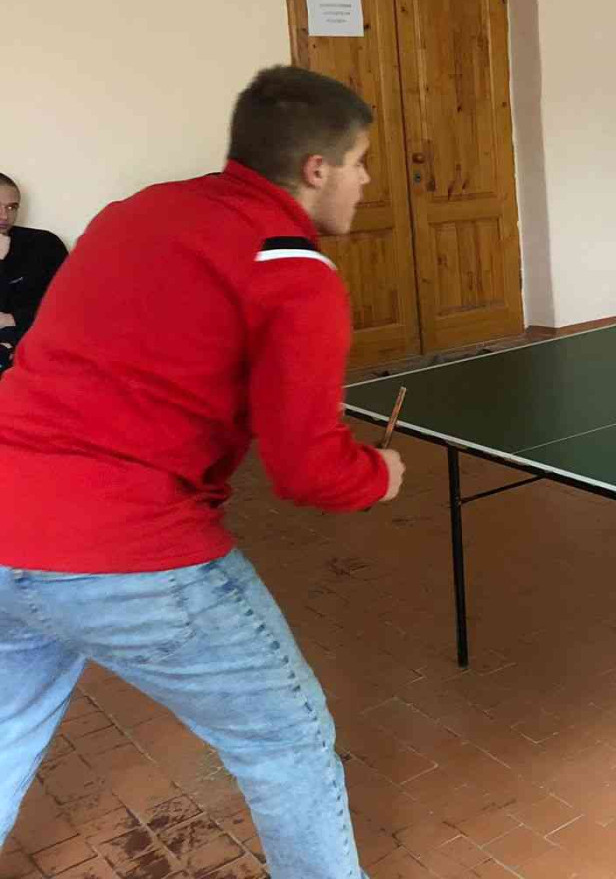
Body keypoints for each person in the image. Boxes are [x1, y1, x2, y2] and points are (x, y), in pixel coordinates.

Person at [0, 66, 406, 879]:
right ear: (317, 169)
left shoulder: (136, 211)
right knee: (285, 738)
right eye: (359, 162)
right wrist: (377, 473)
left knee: (5, 728)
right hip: (126, 547)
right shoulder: (295, 273)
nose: (365, 181)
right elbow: (308, 473)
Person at [0, 174, 68, 373]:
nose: (4, 216)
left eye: (12, 207)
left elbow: (68, 303)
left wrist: (13, 319)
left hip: (33, 343)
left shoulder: (44, 245)